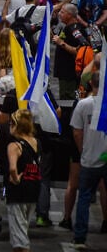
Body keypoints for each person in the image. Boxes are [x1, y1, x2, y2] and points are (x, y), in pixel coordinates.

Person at [71, 72, 107, 249]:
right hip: (105, 157)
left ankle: (79, 238)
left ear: (91, 83)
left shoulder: (83, 105)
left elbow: (77, 132)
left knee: (84, 198)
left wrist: (83, 150)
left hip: (89, 159)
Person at [6, 109, 41, 252]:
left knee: (20, 239)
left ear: (17, 125)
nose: (9, 126)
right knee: (23, 229)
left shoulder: (14, 146)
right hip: (34, 188)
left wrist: (15, 179)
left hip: (18, 192)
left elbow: (12, 168)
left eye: (11, 123)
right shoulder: (36, 142)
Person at [52, 4, 89, 100]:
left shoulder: (75, 30)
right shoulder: (67, 27)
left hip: (70, 74)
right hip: (64, 73)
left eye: (62, 12)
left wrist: (61, 43)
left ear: (69, 15)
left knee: (68, 100)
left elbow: (82, 51)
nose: (59, 14)